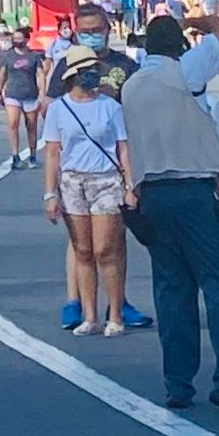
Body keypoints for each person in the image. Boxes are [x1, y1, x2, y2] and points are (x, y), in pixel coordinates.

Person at [120, 14, 219, 415]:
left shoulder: (132, 85)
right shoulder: (184, 72)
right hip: (194, 190)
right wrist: (196, 18)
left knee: (173, 291)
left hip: (153, 193)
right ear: (181, 46)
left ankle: (178, 383)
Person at [48, 0, 151, 332]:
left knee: (112, 242)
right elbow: (54, 109)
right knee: (81, 244)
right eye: (85, 32)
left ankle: (118, 305)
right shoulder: (67, 65)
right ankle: (76, 301)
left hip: (112, 157)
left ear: (109, 28)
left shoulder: (125, 65)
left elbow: (137, 109)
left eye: (97, 30)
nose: (91, 36)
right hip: (77, 168)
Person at [39, 47, 135, 334]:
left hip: (105, 180)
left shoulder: (110, 107)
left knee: (106, 248)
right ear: (74, 76)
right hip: (72, 182)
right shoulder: (59, 108)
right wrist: (50, 193)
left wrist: (130, 186)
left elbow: (123, 149)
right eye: (85, 72)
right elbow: (53, 152)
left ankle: (115, 314)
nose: (92, 76)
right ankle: (89, 315)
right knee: (83, 250)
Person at [0, 25, 48, 169]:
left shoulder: (34, 56)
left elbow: (41, 74)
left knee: (31, 126)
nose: (17, 41)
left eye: (20, 38)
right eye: (15, 38)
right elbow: (3, 74)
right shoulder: (8, 56)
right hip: (13, 94)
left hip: (30, 95)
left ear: (26, 39)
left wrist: (42, 93)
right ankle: (15, 155)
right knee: (13, 124)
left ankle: (32, 155)